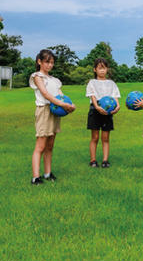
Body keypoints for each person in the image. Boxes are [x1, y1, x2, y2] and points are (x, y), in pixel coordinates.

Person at [29, 49, 76, 185]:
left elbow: (61, 95)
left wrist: (70, 105)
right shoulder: (37, 76)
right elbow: (46, 94)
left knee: (50, 145)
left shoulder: (55, 80)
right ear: (39, 62)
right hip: (44, 110)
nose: (50, 65)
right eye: (47, 62)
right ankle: (35, 177)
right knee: (40, 145)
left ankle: (48, 173)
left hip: (55, 111)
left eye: (52, 63)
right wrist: (62, 104)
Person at [85, 58, 120, 168]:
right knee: (94, 137)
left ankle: (105, 160)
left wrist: (117, 106)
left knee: (105, 138)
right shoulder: (92, 82)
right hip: (95, 111)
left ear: (107, 69)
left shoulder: (111, 83)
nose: (102, 71)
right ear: (95, 69)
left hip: (108, 112)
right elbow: (93, 96)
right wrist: (97, 107)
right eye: (100, 68)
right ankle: (93, 160)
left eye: (104, 68)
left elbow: (115, 97)